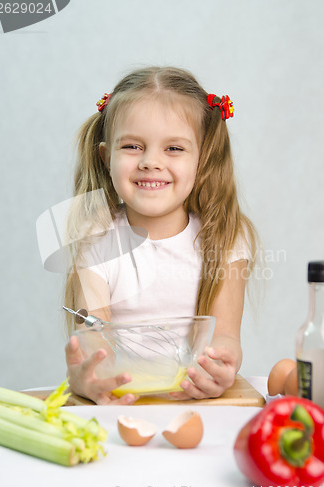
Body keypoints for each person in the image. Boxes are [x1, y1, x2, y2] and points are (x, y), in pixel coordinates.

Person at [64, 66, 259, 405]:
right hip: (122, 405)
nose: (151, 162)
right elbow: (93, 333)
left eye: (174, 149)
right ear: (106, 157)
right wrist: (89, 372)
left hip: (199, 408)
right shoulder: (97, 238)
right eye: (132, 146)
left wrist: (221, 364)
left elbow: (225, 336)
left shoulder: (225, 236)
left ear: (203, 159)